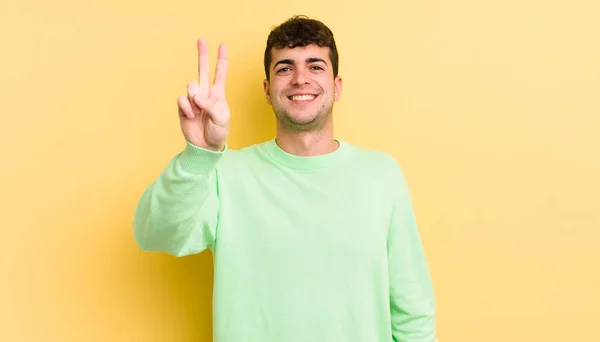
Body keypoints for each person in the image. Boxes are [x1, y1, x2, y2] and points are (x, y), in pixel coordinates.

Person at [133, 15, 437, 342]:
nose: (300, 79)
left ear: (337, 87)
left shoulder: (381, 174)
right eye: (285, 68)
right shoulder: (225, 173)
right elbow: (155, 233)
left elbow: (412, 308)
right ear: (267, 90)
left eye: (316, 66)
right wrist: (199, 153)